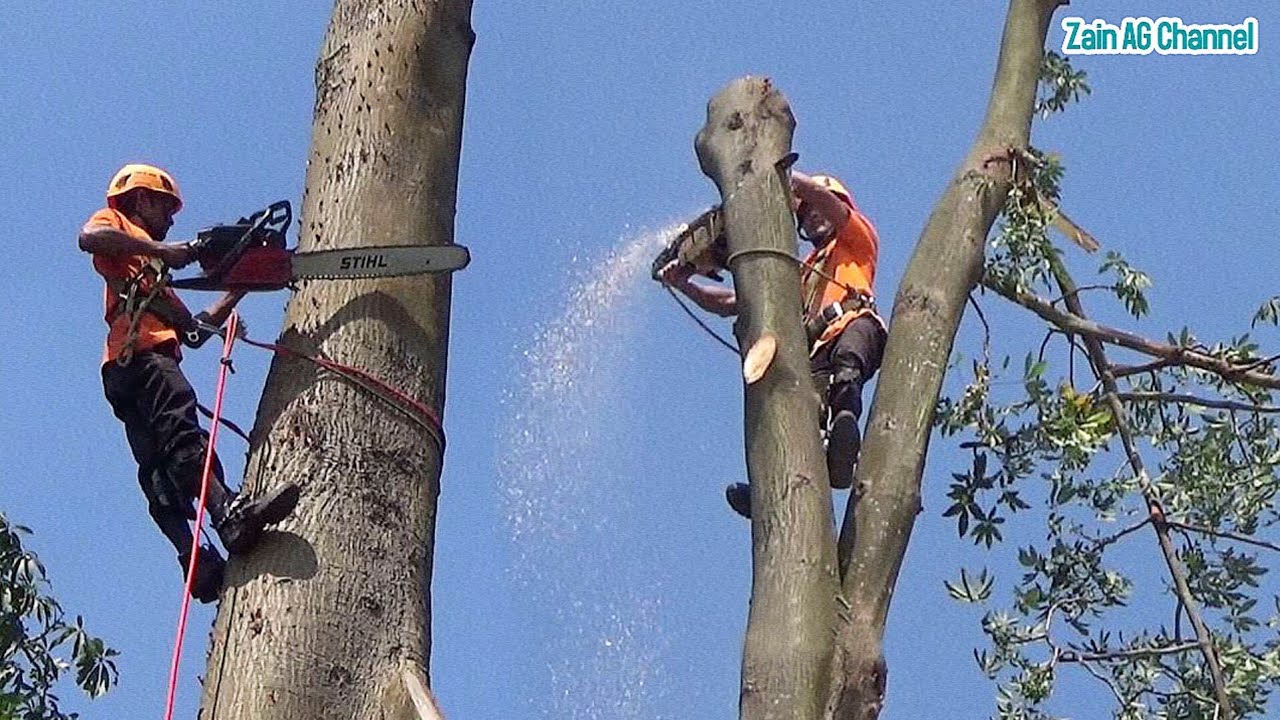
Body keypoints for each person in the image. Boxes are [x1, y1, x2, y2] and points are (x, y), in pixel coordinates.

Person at [80, 163, 301, 602]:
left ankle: (193, 560)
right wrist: (170, 249)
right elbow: (89, 238)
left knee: (158, 468)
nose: (172, 218)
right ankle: (228, 513)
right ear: (141, 199)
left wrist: (239, 287)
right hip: (142, 359)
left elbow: (196, 332)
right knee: (184, 438)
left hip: (126, 371)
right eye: (166, 207)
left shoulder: (154, 280)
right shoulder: (118, 227)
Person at [659, 170, 887, 518]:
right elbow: (730, 303)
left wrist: (785, 179)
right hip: (814, 354)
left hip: (855, 326)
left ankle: (845, 425)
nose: (811, 218)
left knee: (847, 361)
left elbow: (827, 203)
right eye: (804, 216)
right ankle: (774, 484)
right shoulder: (797, 272)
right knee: (791, 410)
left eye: (816, 209)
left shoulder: (857, 239)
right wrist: (684, 284)